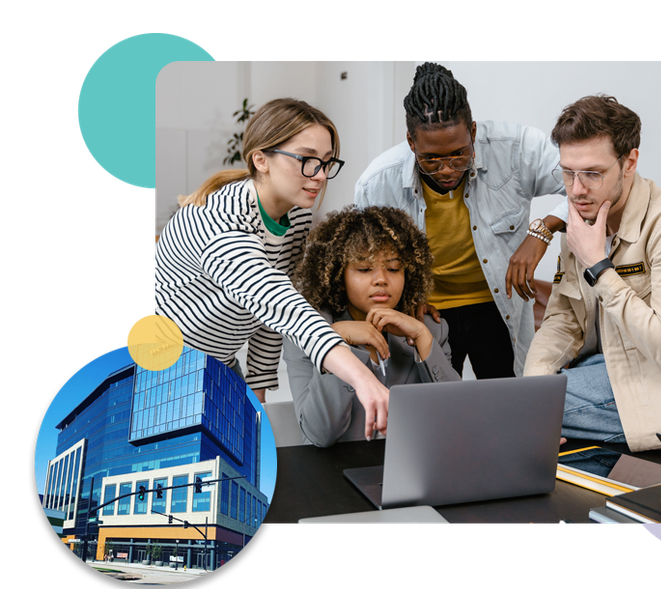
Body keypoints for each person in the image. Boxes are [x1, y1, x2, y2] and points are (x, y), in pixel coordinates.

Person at [154, 98, 389, 428]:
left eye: (326, 162)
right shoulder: (220, 221)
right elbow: (280, 302)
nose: (320, 175)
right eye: (307, 160)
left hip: (218, 362)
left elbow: (268, 318)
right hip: (161, 366)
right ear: (261, 160)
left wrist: (258, 390)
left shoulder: (296, 218)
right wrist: (363, 379)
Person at [524, 95, 661, 452]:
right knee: (517, 406)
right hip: (605, 373)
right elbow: (563, 321)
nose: (576, 190)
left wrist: (598, 265)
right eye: (568, 172)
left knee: (505, 416)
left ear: (629, 162)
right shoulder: (582, 220)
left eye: (593, 173)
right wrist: (533, 390)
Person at [354, 62, 568, 379]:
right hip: (429, 313)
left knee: (507, 405)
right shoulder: (377, 183)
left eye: (459, 153)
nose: (447, 169)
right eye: (431, 159)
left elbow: (588, 184)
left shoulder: (516, 148)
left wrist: (543, 230)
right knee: (437, 410)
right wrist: (405, 299)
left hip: (499, 306)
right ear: (411, 143)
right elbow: (366, 261)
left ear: (473, 132)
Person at [284, 206, 461, 446]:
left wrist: (422, 337)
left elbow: (456, 419)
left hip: (412, 472)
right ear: (338, 274)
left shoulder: (430, 327)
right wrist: (339, 340)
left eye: (393, 268)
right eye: (365, 269)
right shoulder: (308, 330)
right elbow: (320, 435)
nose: (381, 279)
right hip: (336, 475)